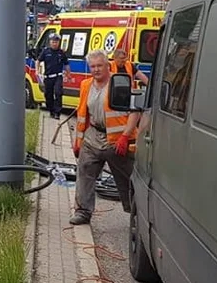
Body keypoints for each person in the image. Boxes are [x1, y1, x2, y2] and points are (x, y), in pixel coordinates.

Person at [69, 49, 142, 226]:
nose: (96, 69)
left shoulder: (121, 82)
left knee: (129, 178)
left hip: (117, 141)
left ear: (107, 65)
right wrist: (78, 141)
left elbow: (135, 111)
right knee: (85, 173)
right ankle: (83, 211)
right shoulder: (86, 85)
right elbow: (82, 114)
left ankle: (137, 214)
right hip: (93, 136)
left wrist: (125, 136)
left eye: (99, 65)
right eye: (92, 66)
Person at [36, 33, 70, 118]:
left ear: (59, 42)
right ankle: (51, 110)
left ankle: (57, 113)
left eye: (56, 42)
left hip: (58, 76)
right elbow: (38, 60)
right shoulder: (46, 51)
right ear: (50, 42)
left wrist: (68, 74)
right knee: (48, 95)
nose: (54, 43)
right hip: (48, 77)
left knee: (58, 93)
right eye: (53, 41)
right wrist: (37, 71)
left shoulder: (61, 53)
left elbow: (66, 64)